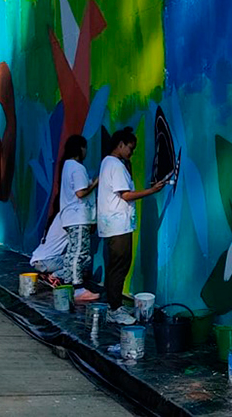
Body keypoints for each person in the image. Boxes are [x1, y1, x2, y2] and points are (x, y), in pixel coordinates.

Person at [98, 127, 169, 325]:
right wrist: (151, 191)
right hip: (118, 225)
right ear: (120, 145)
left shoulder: (107, 162)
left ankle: (114, 305)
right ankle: (114, 309)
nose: (132, 152)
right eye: (130, 148)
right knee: (120, 266)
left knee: (115, 266)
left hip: (112, 224)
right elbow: (126, 195)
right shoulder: (116, 165)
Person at [58, 135, 100, 301]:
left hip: (71, 217)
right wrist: (96, 183)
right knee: (78, 253)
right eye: (85, 148)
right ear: (80, 148)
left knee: (72, 252)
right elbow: (81, 192)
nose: (86, 151)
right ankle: (78, 289)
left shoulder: (68, 166)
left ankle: (69, 285)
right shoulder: (76, 167)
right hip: (78, 217)